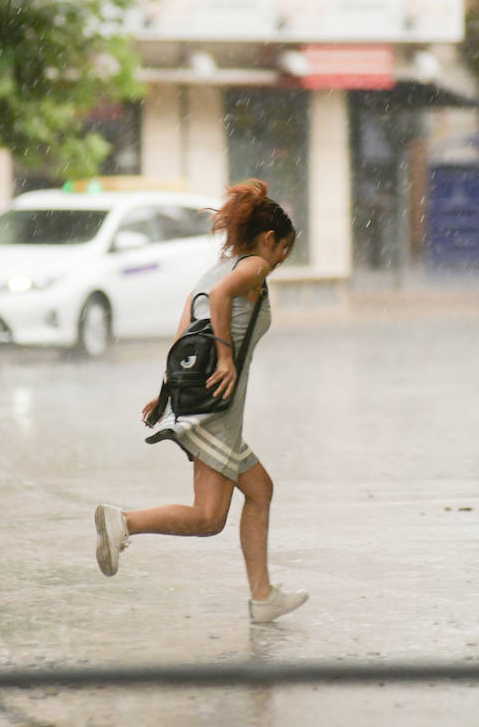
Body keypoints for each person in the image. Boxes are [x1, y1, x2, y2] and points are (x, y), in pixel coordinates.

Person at [94, 179, 309, 624]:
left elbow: (188, 324)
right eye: (284, 248)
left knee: (260, 491)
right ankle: (125, 523)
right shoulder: (249, 271)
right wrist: (226, 357)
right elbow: (218, 300)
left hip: (204, 403)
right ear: (269, 239)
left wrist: (168, 389)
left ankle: (263, 596)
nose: (283, 259)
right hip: (217, 407)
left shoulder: (219, 268)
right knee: (208, 517)